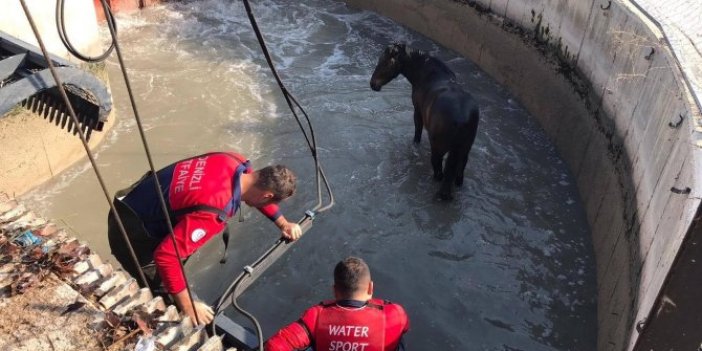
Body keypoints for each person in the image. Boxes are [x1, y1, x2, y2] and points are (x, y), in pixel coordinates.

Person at [107, 151, 301, 325]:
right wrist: (189, 305)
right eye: (274, 200)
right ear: (267, 195)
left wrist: (283, 223)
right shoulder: (214, 211)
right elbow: (166, 256)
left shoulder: (234, 160)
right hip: (129, 231)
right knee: (170, 295)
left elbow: (256, 191)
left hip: (132, 199)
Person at [265, 257, 410, 351]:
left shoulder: (317, 315)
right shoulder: (394, 313)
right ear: (371, 287)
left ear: (334, 290)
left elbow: (274, 346)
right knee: (398, 340)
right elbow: (405, 327)